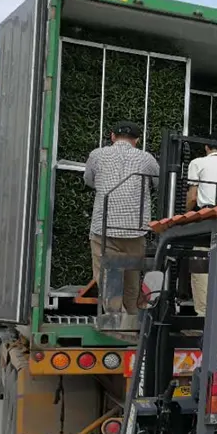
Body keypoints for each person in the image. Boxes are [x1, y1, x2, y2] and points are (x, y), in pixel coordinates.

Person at [84, 121, 159, 315]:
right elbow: (158, 183)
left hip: (103, 228)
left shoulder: (96, 155)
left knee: (107, 278)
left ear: (112, 136)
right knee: (132, 277)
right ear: (137, 140)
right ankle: (133, 316)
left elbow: (89, 181)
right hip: (135, 229)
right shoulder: (147, 158)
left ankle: (113, 316)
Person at [186, 140, 217, 316]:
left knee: (200, 262)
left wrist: (184, 214)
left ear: (206, 147)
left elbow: (193, 197)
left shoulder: (197, 162)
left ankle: (203, 314)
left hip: (207, 215)